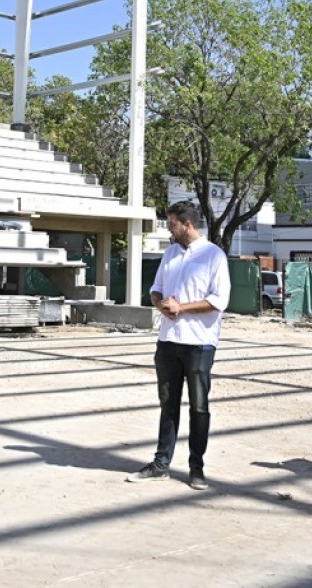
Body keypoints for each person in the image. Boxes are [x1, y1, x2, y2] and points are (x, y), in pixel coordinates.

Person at [127, 200, 231, 491]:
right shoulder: (170, 253)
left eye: (171, 223)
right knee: (167, 403)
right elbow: (155, 290)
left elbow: (218, 301)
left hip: (199, 343)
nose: (168, 228)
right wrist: (161, 305)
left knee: (199, 407)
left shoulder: (214, 256)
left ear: (187, 224)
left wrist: (181, 308)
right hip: (168, 341)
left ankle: (196, 467)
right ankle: (161, 463)